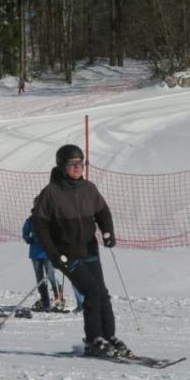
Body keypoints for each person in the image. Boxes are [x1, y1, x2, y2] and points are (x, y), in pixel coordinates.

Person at [33, 144, 130, 358]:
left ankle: (108, 335)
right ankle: (94, 338)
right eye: (73, 164)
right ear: (61, 165)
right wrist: (54, 254)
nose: (78, 168)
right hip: (67, 254)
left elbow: (102, 211)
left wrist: (107, 232)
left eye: (81, 163)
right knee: (92, 292)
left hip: (89, 250)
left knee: (102, 293)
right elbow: (39, 226)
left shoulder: (89, 189)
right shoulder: (51, 193)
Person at [22, 201, 61, 312]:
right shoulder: (31, 220)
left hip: (48, 252)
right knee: (39, 278)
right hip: (35, 253)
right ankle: (46, 302)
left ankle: (58, 297)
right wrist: (28, 238)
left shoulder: (49, 218)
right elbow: (25, 232)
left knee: (50, 275)